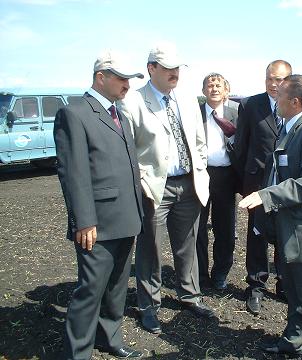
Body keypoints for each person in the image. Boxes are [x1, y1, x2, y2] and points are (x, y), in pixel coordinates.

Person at [239, 74, 302, 360]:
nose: (275, 98)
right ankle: (293, 343)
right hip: (291, 228)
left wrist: (267, 195)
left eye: (280, 94)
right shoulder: (291, 128)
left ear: (294, 101)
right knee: (296, 296)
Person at [118, 43, 214, 335]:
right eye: (168, 68)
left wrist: (200, 168)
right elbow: (128, 149)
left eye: (178, 68)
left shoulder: (186, 98)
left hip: (188, 184)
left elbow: (199, 141)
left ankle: (190, 296)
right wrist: (143, 181)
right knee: (151, 251)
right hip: (154, 189)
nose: (175, 74)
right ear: (151, 69)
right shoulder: (133, 102)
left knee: (188, 246)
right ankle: (149, 306)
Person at [54, 51, 144, 359]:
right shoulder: (75, 112)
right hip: (98, 224)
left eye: (130, 79)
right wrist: (84, 221)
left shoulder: (118, 114)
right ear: (100, 77)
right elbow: (73, 172)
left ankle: (108, 337)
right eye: (121, 78)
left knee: (117, 287)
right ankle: (77, 352)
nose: (127, 85)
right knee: (90, 290)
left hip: (126, 217)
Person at [234, 59, 292, 315]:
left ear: (289, 81)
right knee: (256, 235)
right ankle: (255, 286)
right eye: (270, 78)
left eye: (279, 79)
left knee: (284, 233)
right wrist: (245, 183)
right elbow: (241, 147)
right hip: (257, 183)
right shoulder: (250, 105)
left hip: (286, 185)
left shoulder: (293, 105)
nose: (273, 83)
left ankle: (284, 282)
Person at [196, 73, 238, 290]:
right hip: (200, 176)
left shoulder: (236, 113)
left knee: (225, 229)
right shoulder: (194, 114)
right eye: (209, 85)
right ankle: (200, 275)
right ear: (203, 91)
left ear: (225, 91)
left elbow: (242, 144)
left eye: (218, 85)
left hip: (226, 177)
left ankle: (220, 273)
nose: (214, 88)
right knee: (198, 229)